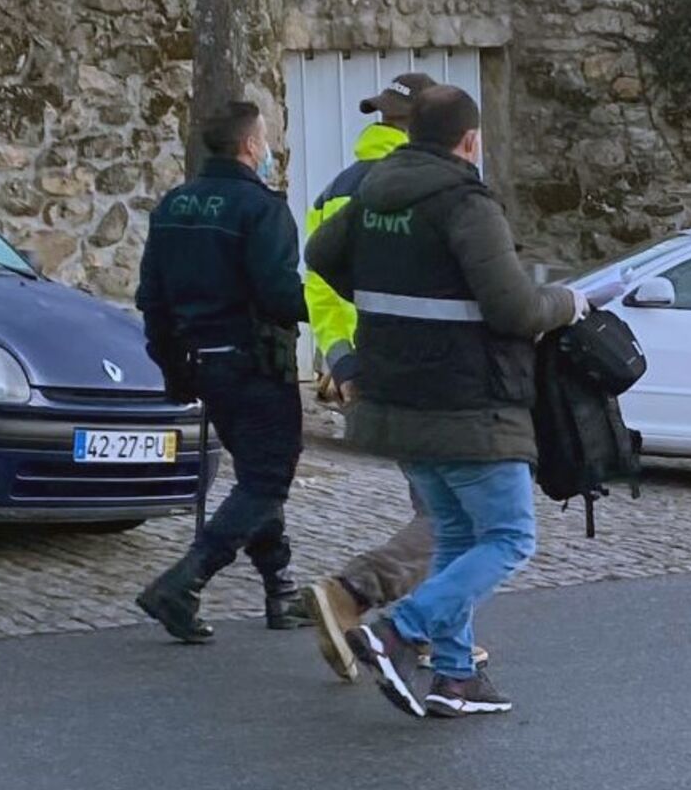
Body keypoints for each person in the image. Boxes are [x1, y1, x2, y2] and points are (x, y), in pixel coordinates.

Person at [306, 85, 586, 719]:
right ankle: (399, 630)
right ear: (471, 141)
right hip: (468, 402)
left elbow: (319, 255)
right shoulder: (465, 201)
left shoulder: (374, 193)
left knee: (456, 533)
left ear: (410, 134)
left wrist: (394, 301)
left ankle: (455, 678)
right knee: (510, 536)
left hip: (397, 397)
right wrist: (569, 303)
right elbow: (515, 309)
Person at [300, 71, 489, 682]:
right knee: (457, 516)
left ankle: (435, 634)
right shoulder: (438, 187)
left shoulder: (339, 187)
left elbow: (319, 284)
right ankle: (356, 594)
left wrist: (342, 359)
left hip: (369, 369)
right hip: (430, 373)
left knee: (441, 505)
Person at [135, 100, 309, 642]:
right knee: (266, 481)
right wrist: (330, 309)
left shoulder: (173, 205)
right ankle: (184, 581)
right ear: (251, 145)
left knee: (257, 477)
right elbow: (279, 295)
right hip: (256, 363)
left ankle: (281, 590)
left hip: (203, 362)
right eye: (266, 139)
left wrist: (173, 368)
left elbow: (152, 298)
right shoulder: (261, 208)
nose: (269, 149)